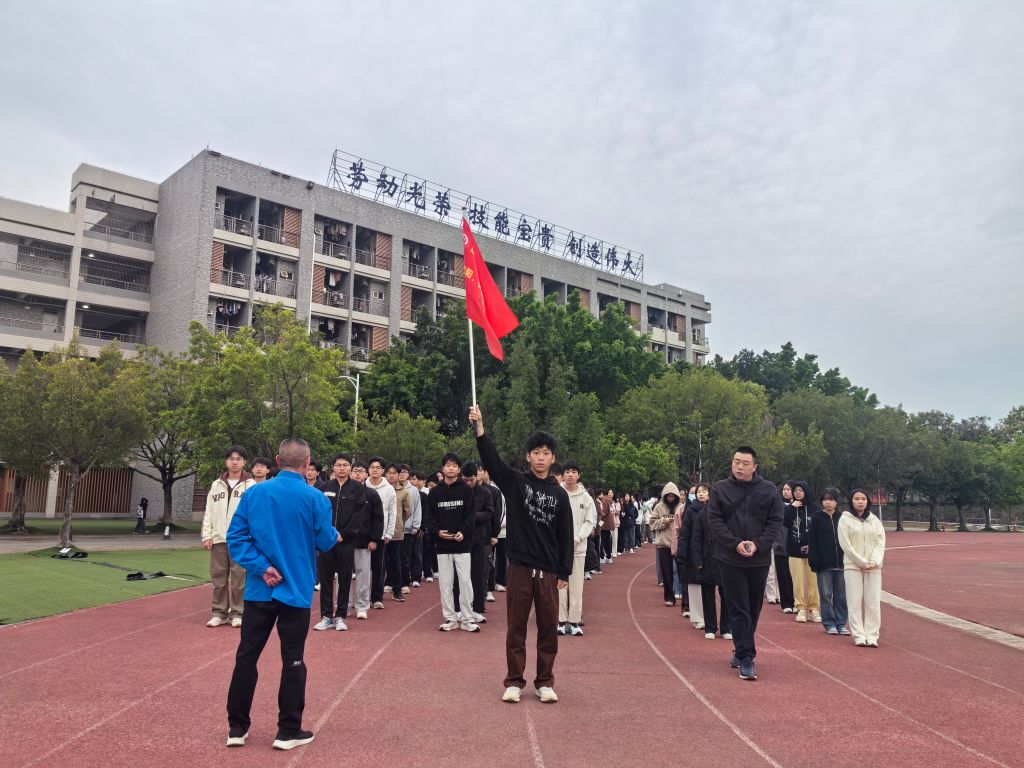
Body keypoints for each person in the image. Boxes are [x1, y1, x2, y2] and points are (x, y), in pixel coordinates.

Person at [224, 438, 340, 751]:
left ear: (277, 460)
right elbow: (325, 541)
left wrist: (262, 567)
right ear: (307, 463)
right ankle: (288, 730)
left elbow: (235, 538)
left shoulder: (255, 493)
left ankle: (237, 727)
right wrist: (334, 534)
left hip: (260, 589)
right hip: (295, 590)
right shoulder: (315, 498)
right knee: (293, 659)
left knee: (247, 656)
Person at [470, 405, 573, 705]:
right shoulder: (516, 482)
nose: (540, 457)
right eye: (536, 452)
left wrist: (564, 571)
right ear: (528, 456)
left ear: (552, 458)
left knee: (548, 628)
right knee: (516, 627)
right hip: (519, 567)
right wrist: (480, 429)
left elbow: (565, 535)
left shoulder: (559, 494)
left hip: (549, 571)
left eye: (546, 453)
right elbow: (492, 460)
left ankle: (545, 682)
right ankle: (514, 681)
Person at [707, 446, 784, 682]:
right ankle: (747, 656)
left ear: (755, 466)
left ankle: (740, 650)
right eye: (736, 462)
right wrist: (735, 544)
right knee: (738, 606)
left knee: (753, 607)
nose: (739, 467)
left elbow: (775, 521)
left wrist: (758, 545)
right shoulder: (720, 489)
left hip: (759, 558)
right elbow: (715, 520)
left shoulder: (769, 490)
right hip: (730, 557)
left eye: (745, 463)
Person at [313, 453, 372, 632]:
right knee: (326, 578)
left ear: (350, 468)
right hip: (327, 541)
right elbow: (318, 512)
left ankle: (340, 616)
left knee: (345, 578)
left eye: (345, 465)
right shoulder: (325, 487)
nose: (342, 468)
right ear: (333, 467)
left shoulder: (357, 488)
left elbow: (359, 514)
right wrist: (329, 533)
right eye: (338, 465)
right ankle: (326, 616)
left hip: (347, 541)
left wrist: (344, 534)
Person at [423, 453, 478, 632]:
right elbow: (429, 517)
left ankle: (468, 618)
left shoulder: (466, 490)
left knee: (465, 582)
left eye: (454, 465)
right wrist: (437, 531)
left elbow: (471, 515)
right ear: (443, 468)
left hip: (462, 545)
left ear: (459, 469)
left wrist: (463, 532)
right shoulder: (434, 492)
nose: (451, 468)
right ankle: (450, 618)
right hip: (442, 546)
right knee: (446, 584)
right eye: (448, 465)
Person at [202, 446, 255, 628]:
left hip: (240, 540)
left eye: (238, 459)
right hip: (218, 539)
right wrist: (207, 535)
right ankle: (219, 612)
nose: (234, 462)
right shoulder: (216, 485)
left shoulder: (251, 485)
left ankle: (238, 613)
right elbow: (209, 511)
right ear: (226, 461)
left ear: (244, 462)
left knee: (239, 579)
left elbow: (255, 514)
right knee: (218, 578)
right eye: (231, 459)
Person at [838, 489, 886, 647]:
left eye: (863, 499)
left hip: (873, 567)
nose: (860, 502)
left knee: (873, 602)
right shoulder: (845, 520)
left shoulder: (875, 521)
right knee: (854, 601)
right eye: (857, 499)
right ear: (851, 501)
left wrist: (874, 561)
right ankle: (858, 635)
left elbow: (880, 542)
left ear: (868, 501)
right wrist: (861, 562)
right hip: (853, 566)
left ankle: (872, 636)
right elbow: (846, 545)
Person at [558, 460, 596, 636]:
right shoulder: (557, 493)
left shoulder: (585, 497)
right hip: (559, 549)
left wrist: (578, 538)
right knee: (560, 585)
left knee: (576, 585)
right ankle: (560, 621)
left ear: (578, 475)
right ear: (563, 474)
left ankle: (573, 621)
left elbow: (590, 521)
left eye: (573, 471)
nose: (570, 475)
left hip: (578, 548)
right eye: (567, 471)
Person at [690, 483, 731, 640]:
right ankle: (710, 627)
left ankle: (726, 628)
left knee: (727, 595)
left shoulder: (727, 514)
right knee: (707, 595)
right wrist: (698, 560)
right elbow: (696, 538)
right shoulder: (702, 514)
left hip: (725, 560)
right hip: (707, 559)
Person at [808, 488, 849, 636]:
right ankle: (829, 623)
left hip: (842, 564)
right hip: (824, 564)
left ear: (836, 502)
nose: (828, 502)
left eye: (831, 499)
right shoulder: (816, 518)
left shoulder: (843, 518)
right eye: (825, 499)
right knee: (825, 594)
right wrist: (814, 561)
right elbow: (812, 540)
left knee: (841, 595)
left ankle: (841, 623)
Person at [348, 461, 384, 620]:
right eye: (355, 470)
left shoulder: (371, 494)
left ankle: (362, 605)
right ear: (350, 472)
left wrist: (374, 539)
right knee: (343, 574)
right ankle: (344, 605)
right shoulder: (344, 492)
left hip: (364, 541)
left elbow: (378, 519)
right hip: (344, 540)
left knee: (363, 574)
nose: (357, 474)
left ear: (366, 474)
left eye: (361, 471)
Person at [785, 481, 821, 623]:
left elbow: (818, 529)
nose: (798, 493)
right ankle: (800, 608)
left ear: (806, 491)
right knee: (797, 581)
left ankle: (814, 609)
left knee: (814, 582)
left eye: (800, 490)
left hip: (812, 551)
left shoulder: (815, 509)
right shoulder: (790, 508)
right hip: (794, 550)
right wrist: (791, 508)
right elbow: (786, 522)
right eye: (795, 490)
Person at [366, 457, 396, 610]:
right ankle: (363, 597)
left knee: (378, 566)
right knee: (362, 568)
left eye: (378, 468)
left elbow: (392, 512)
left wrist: (389, 533)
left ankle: (377, 597)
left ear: (382, 470)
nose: (375, 470)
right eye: (372, 467)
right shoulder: (363, 485)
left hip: (380, 533)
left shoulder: (389, 489)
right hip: (363, 533)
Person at [650, 482, 682, 607]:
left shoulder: (681, 507)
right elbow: (652, 523)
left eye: (673, 496)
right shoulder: (659, 507)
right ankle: (669, 597)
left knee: (680, 571)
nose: (671, 498)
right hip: (664, 544)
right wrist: (664, 521)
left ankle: (682, 595)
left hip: (678, 543)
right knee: (666, 572)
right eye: (668, 496)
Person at [385, 463, 413, 602]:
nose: (391, 476)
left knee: (396, 561)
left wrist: (399, 520)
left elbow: (408, 511)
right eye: (389, 473)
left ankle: (397, 590)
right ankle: (378, 591)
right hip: (380, 531)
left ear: (398, 475)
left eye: (394, 473)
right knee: (380, 562)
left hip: (396, 532)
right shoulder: (380, 489)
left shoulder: (404, 492)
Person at [478, 465, 505, 600]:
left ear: (486, 472)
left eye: (480, 470)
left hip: (488, 533)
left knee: (488, 562)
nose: (477, 473)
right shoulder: (468, 489)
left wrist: (495, 533)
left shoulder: (494, 491)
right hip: (472, 534)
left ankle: (489, 589)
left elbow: (497, 513)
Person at [773, 482, 796, 613]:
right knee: (783, 575)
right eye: (784, 489)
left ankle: (797, 602)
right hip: (780, 546)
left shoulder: (800, 506)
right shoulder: (778, 505)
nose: (785, 491)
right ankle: (786, 603)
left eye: (788, 489)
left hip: (795, 547)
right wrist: (777, 542)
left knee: (795, 576)